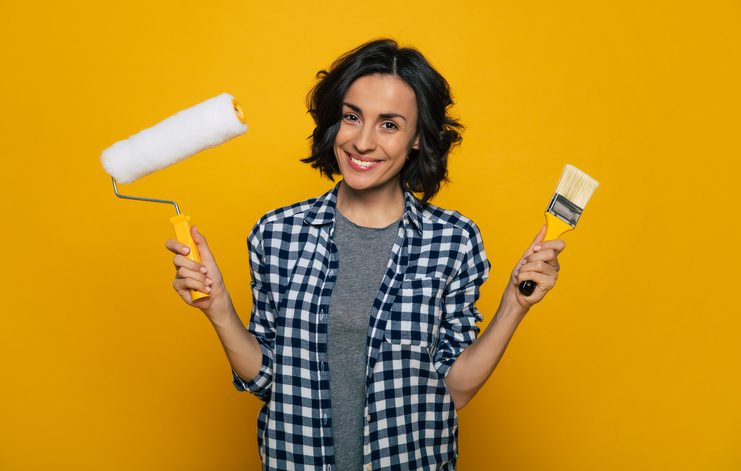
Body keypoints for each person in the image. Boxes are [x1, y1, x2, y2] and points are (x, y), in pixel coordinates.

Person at [166, 38, 565, 471]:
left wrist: (514, 305)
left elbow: (454, 390)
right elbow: (267, 379)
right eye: (352, 117)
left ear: (417, 138)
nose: (362, 141)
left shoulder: (453, 240)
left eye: (389, 125)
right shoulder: (278, 233)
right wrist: (220, 310)